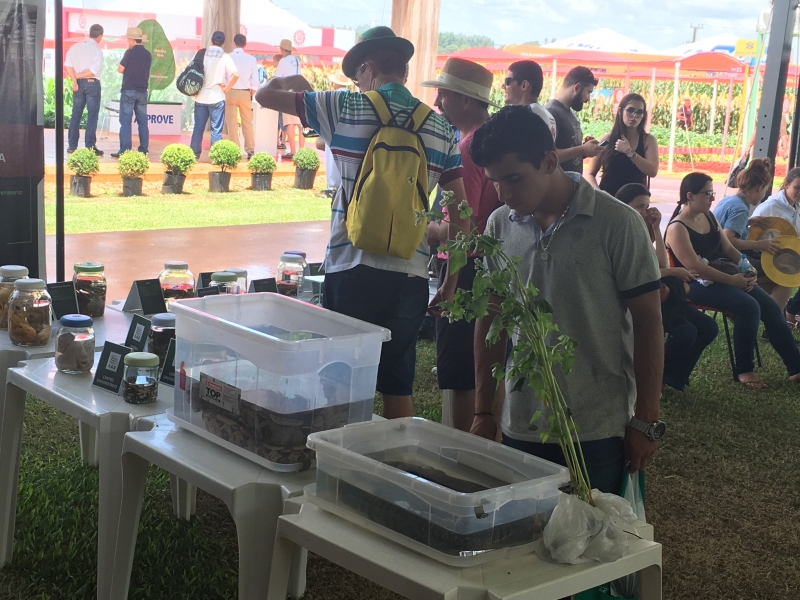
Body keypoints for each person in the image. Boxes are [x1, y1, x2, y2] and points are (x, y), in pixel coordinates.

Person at [256, 26, 468, 420]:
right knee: (398, 387)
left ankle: (341, 457)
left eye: (357, 77)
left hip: (350, 267)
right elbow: (461, 217)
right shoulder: (442, 130)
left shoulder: (343, 106)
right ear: (403, 71)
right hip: (410, 275)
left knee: (339, 386)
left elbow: (263, 96)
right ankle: (396, 457)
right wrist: (450, 284)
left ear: (368, 69)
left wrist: (288, 79)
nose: (357, 85)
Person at [469, 105, 665, 489]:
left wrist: (646, 418)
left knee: (591, 525)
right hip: (521, 421)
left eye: (514, 179)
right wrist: (483, 410)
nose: (504, 194)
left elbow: (648, 322)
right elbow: (490, 318)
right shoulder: (499, 225)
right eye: (495, 182)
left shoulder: (618, 223)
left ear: (548, 162)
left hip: (596, 427)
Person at [417, 57, 502, 432]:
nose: (438, 102)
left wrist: (431, 230)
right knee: (489, 365)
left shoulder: (467, 149)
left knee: (460, 374)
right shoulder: (493, 141)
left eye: (444, 94)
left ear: (465, 100)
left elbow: (462, 227)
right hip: (493, 269)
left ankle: (461, 452)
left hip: (465, 271)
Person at [665, 172, 800, 389]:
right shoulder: (677, 227)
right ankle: (744, 369)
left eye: (712, 193)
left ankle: (796, 367)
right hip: (693, 284)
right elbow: (694, 268)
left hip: (722, 276)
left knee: (771, 308)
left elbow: (728, 249)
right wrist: (732, 281)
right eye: (707, 194)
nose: (712, 198)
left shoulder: (709, 217)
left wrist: (748, 269)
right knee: (749, 306)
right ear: (690, 196)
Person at [616, 183, 718, 392]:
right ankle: (652, 376)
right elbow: (635, 275)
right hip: (639, 299)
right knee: (687, 332)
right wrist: (674, 272)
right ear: (622, 206)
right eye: (639, 207)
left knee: (709, 328)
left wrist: (655, 228)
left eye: (647, 206)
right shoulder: (618, 234)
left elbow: (660, 264)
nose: (645, 212)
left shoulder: (641, 229)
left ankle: (670, 376)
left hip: (660, 296)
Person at [713, 158, 784, 307]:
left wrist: (748, 221)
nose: (764, 195)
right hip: (724, 259)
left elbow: (723, 225)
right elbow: (728, 240)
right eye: (765, 190)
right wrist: (760, 244)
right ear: (760, 187)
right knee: (779, 273)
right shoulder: (741, 208)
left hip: (713, 254)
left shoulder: (729, 200)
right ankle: (751, 303)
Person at [586, 93, 659, 197]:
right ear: (620, 111)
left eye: (639, 112)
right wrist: (599, 193)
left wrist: (629, 152)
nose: (634, 115)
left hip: (635, 201)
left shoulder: (648, 140)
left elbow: (652, 171)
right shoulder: (607, 139)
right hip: (608, 199)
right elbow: (590, 174)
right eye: (630, 110)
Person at [754, 166, 800, 323]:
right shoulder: (770, 207)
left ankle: (784, 315)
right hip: (765, 259)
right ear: (786, 184)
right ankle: (777, 320)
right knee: (789, 276)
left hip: (787, 257)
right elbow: (751, 237)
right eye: (797, 187)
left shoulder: (796, 206)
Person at [190, 31, 239, 161]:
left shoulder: (202, 53)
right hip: (217, 97)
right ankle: (216, 157)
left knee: (198, 128)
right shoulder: (225, 56)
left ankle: (193, 155)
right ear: (223, 42)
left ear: (211, 40)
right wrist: (226, 88)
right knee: (216, 130)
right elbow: (236, 74)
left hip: (201, 96)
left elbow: (191, 70)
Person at [545, 66, 602, 174]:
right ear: (577, 87)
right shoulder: (551, 113)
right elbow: (546, 156)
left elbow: (570, 152)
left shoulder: (570, 113)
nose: (588, 99)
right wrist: (582, 149)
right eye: (588, 92)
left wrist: (585, 149)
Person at [111, 27, 152, 158]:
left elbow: (120, 69)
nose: (127, 41)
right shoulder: (148, 54)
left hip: (129, 91)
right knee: (142, 122)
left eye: (128, 39)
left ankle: (125, 150)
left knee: (125, 122)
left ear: (132, 39)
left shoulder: (129, 53)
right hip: (142, 91)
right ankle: (143, 149)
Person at [64, 24, 104, 156]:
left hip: (78, 85)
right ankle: (90, 146)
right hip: (92, 84)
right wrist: (79, 76)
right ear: (100, 36)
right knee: (92, 116)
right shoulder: (97, 51)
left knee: (76, 114)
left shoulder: (75, 47)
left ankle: (72, 146)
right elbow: (93, 71)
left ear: (89, 33)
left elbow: (68, 65)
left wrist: (74, 80)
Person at [315, 70, 349, 198]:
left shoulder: (332, 96)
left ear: (336, 82)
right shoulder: (352, 96)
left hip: (332, 130)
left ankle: (333, 186)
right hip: (346, 132)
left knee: (331, 160)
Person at [225, 34, 259, 160]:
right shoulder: (251, 59)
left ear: (233, 43)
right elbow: (255, 81)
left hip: (230, 91)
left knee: (231, 122)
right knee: (247, 122)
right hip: (245, 92)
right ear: (245, 44)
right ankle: (250, 150)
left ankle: (235, 150)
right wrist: (251, 94)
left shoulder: (227, 57)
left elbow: (224, 77)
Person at [502, 60, 556, 140]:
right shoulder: (549, 116)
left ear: (524, 85)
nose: (503, 86)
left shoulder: (525, 115)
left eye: (508, 81)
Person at [275, 39, 302, 158]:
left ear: (282, 50)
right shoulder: (297, 60)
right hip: (299, 93)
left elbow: (277, 78)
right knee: (300, 124)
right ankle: (302, 151)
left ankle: (293, 152)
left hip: (288, 94)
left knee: (290, 123)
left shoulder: (283, 61)